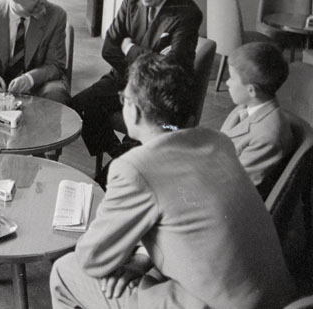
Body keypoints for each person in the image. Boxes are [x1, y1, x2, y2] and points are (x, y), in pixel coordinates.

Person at [50, 53, 295, 309]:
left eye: (124, 98)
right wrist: (141, 258)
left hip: (208, 303)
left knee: (65, 271)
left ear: (134, 110)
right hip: (266, 297)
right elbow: (188, 220)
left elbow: (92, 258)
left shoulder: (133, 168)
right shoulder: (218, 142)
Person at [71, 0, 202, 186]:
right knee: (78, 106)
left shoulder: (187, 12)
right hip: (125, 80)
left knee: (150, 130)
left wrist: (130, 48)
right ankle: (118, 153)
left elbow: (171, 68)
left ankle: (112, 176)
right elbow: (109, 49)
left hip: (162, 94)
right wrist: (149, 58)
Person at [221, 41, 295, 198]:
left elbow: (235, 184)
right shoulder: (244, 106)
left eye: (231, 78)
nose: (227, 82)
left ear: (251, 90)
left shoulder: (267, 137)